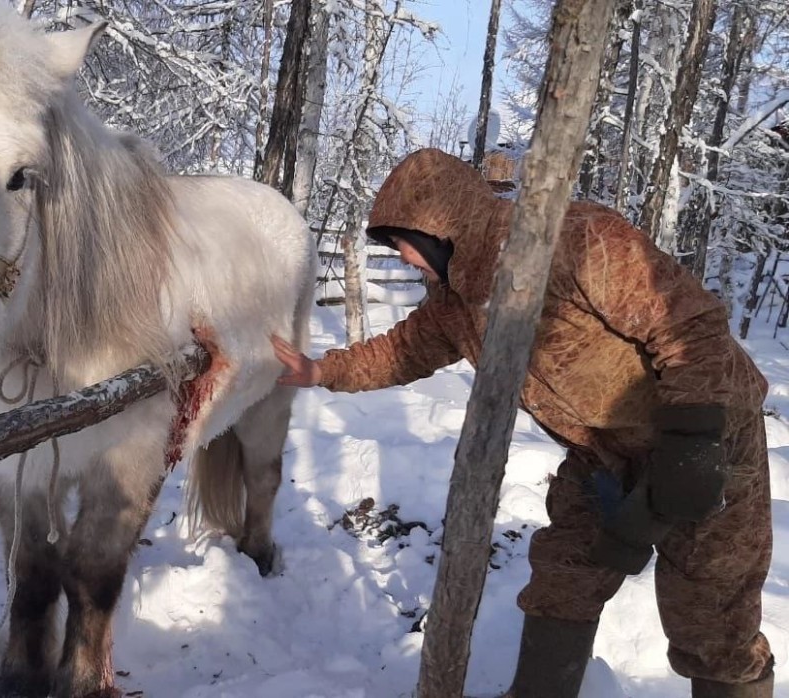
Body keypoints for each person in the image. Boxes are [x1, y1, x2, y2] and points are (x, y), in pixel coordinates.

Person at [272, 148, 774, 698]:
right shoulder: (456, 303)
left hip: (710, 435)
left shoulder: (576, 240)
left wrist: (694, 440)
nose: (404, 258)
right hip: (604, 456)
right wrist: (322, 370)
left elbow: (689, 323)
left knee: (711, 615)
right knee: (564, 575)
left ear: (439, 227)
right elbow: (402, 351)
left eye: (403, 243)